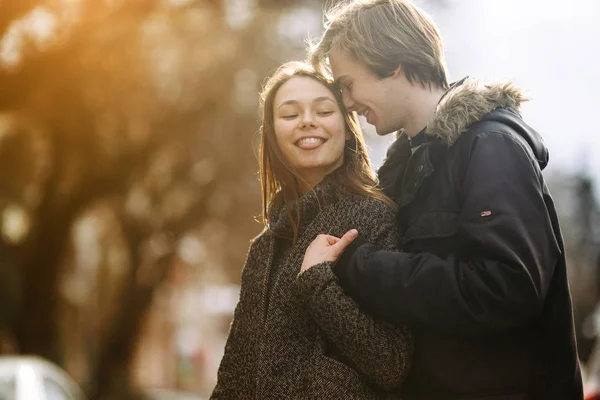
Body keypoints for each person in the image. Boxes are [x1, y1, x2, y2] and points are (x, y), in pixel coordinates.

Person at [300, 1, 584, 399]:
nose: (347, 103)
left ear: (392, 64)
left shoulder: (491, 147)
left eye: (348, 84)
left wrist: (358, 266)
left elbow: (504, 288)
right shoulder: (400, 174)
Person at [210, 61, 412, 399]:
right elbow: (236, 371)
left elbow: (391, 363)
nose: (307, 121)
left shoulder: (374, 217)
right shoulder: (265, 245)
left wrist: (318, 283)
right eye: (290, 115)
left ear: (347, 128)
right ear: (272, 135)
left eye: (323, 110)